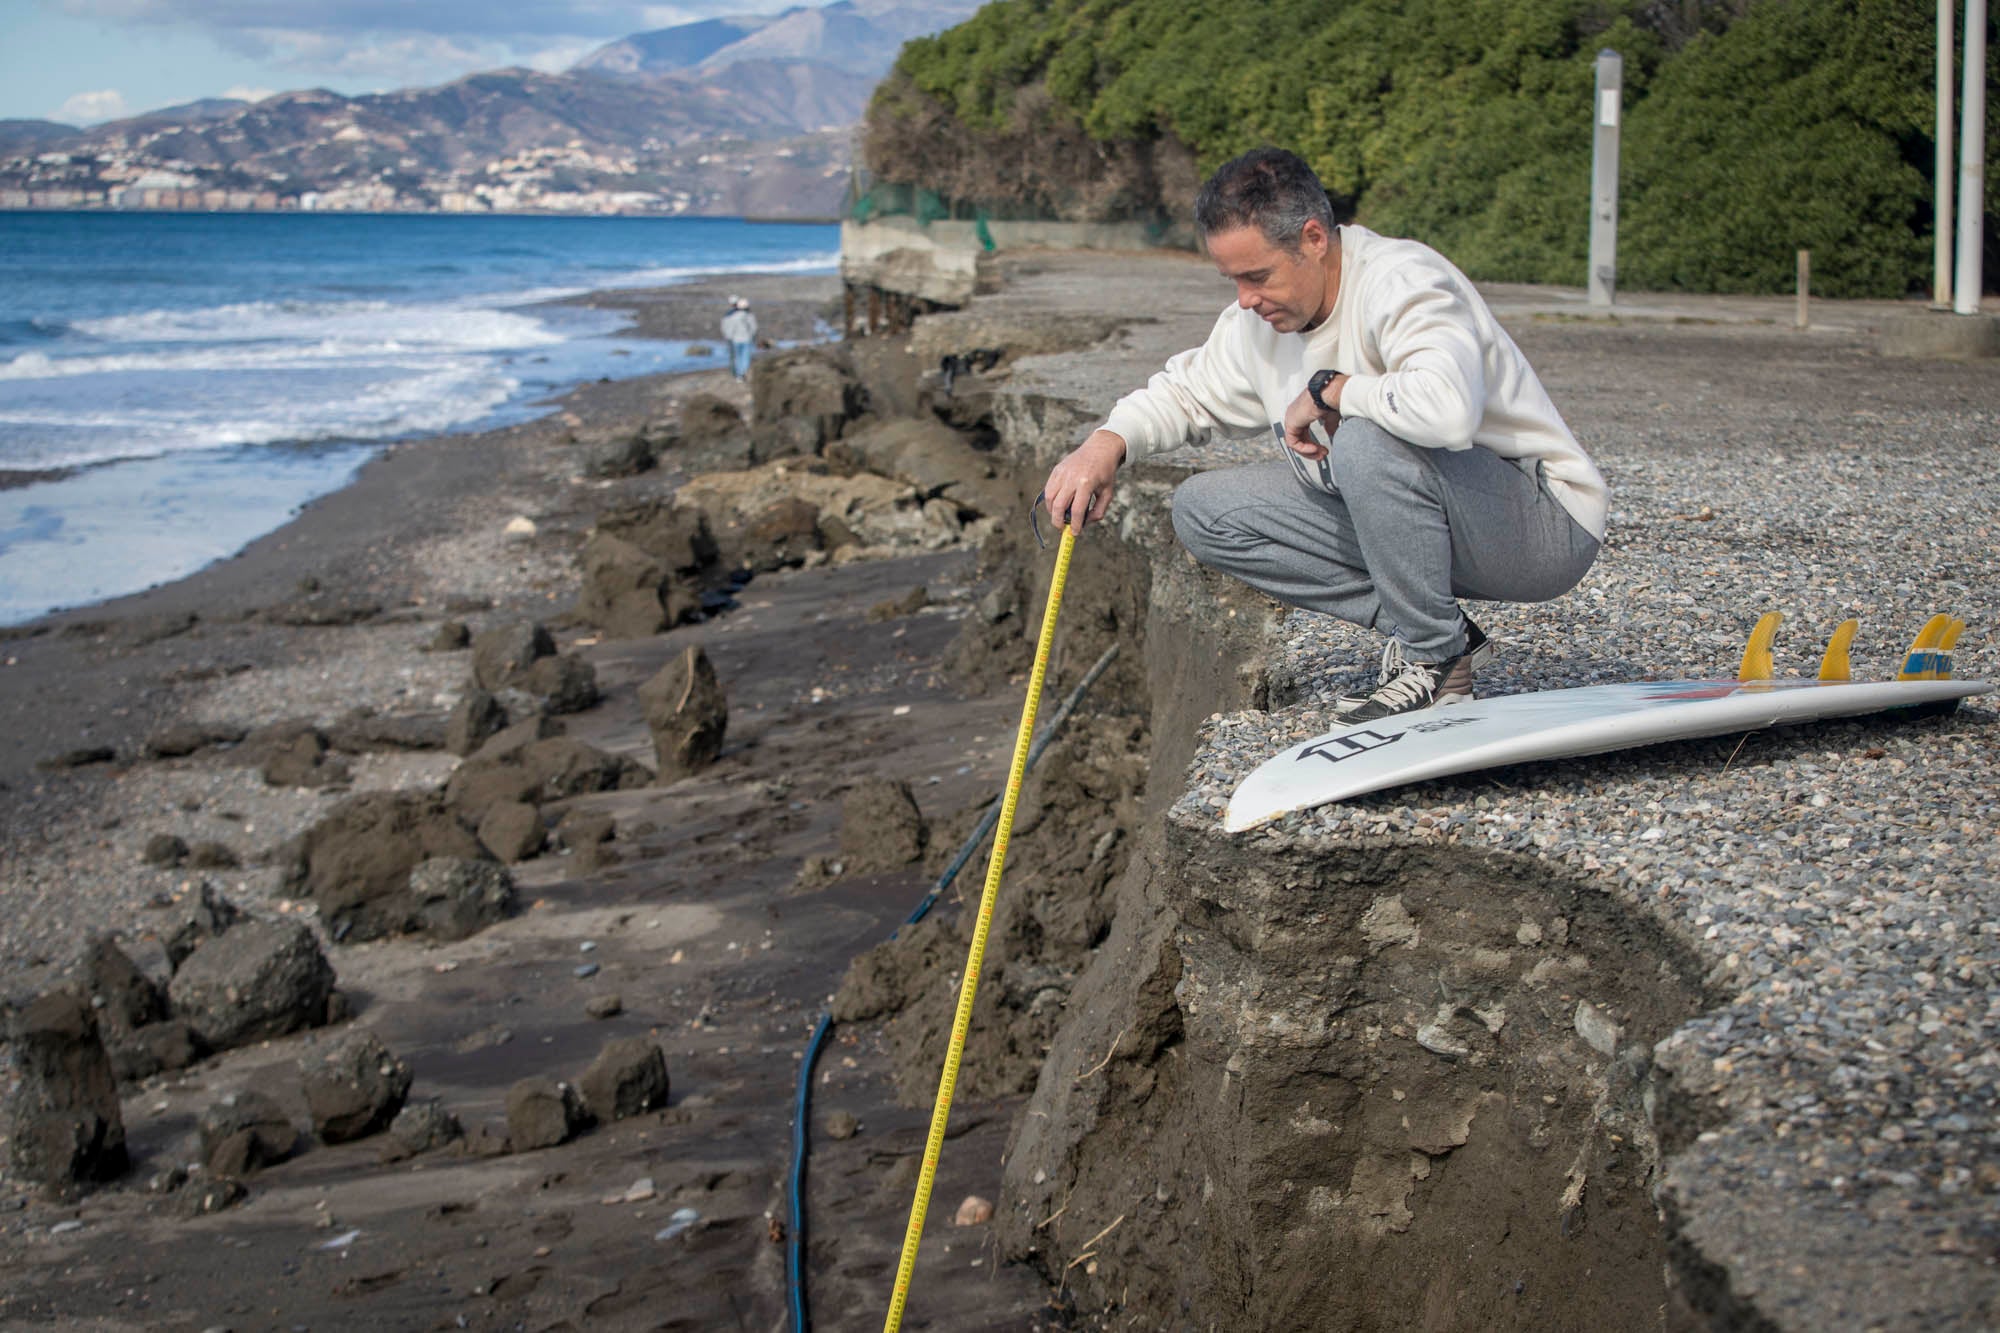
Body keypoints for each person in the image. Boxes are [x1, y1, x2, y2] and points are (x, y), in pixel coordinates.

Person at [1039, 147, 1607, 723]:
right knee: (1202, 510)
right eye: (1231, 279)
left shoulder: (1403, 279)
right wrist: (1105, 445)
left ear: (1313, 238)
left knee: (1363, 439)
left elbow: (1449, 411)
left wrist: (1332, 390)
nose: (1244, 300)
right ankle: (1438, 631)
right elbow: (1184, 393)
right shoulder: (1254, 324)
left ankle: (1434, 662)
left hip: (1540, 526)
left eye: (1257, 276)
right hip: (1423, 520)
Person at [721, 296, 758, 381]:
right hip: (746, 339)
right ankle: (741, 373)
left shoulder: (731, 315)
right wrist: (751, 335)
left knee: (737, 357)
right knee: (745, 357)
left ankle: (739, 375)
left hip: (735, 339)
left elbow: (729, 328)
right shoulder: (749, 315)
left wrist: (729, 337)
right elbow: (754, 327)